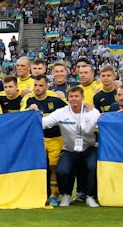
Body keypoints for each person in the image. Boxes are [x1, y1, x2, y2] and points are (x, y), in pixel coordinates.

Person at [41, 86, 101, 207]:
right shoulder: (61, 112)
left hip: (90, 149)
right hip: (69, 150)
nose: (74, 99)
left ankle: (90, 197)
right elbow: (44, 123)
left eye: (76, 96)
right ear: (68, 98)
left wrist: (94, 111)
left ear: (82, 97)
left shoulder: (92, 111)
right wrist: (34, 115)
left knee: (93, 167)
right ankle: (66, 195)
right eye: (71, 96)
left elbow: (99, 121)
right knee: (61, 170)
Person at [22, 75, 68, 205]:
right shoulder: (28, 99)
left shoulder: (56, 99)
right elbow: (21, 116)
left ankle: (54, 194)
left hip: (55, 138)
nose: (37, 88)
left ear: (47, 86)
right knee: (39, 167)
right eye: (35, 85)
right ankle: (40, 192)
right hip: (37, 139)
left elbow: (70, 109)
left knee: (54, 167)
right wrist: (28, 110)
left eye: (41, 85)